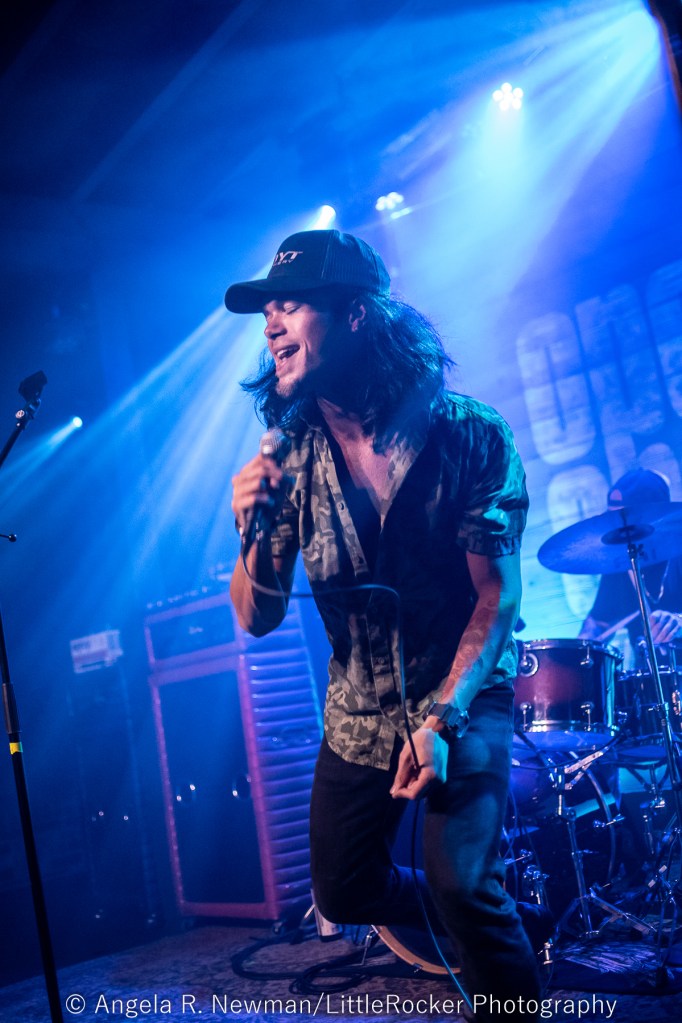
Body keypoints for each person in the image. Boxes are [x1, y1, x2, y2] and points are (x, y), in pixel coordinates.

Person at [227, 228, 541, 1019]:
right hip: (359, 709)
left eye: (290, 303)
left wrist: (442, 718)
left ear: (357, 314)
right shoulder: (289, 454)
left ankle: (483, 925)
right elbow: (257, 616)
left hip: (462, 691)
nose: (270, 322)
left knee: (464, 882)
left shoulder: (469, 434)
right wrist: (254, 532)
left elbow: (496, 597)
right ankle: (474, 914)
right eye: (266, 310)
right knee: (342, 889)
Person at [579, 469, 682, 659]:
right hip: (648, 674)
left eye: (627, 519)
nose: (621, 529)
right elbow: (601, 621)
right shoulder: (621, 562)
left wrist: (678, 622)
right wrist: (582, 644)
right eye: (614, 520)